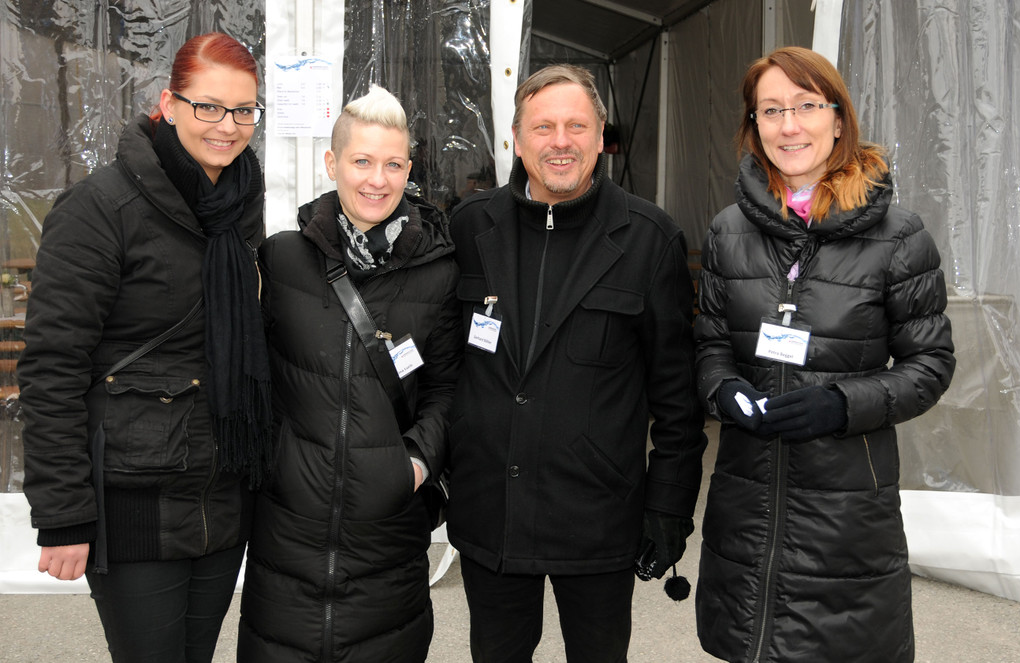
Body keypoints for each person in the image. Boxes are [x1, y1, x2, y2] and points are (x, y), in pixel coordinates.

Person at [693, 46, 956, 663]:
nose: (789, 125)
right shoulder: (728, 231)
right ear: (754, 125)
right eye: (771, 110)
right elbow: (709, 344)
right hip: (747, 501)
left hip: (846, 514)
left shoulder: (899, 236)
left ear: (839, 119)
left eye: (806, 106)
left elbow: (930, 365)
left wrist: (842, 404)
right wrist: (722, 389)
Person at [16, 32, 271, 662]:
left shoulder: (239, 203)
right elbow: (52, 368)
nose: (228, 126)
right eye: (209, 106)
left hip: (221, 491)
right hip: (135, 499)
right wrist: (63, 513)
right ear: (169, 104)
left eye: (243, 110)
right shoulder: (100, 207)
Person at [446, 64, 707, 663]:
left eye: (576, 126)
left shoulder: (649, 238)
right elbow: (443, 365)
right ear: (516, 139)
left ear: (600, 137)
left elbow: (678, 399)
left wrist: (669, 505)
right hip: (492, 510)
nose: (560, 141)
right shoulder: (470, 227)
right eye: (543, 126)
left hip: (598, 517)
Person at [236, 85, 461, 662]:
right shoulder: (282, 258)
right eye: (361, 161)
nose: (376, 180)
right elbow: (252, 378)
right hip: (288, 530)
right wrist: (273, 462)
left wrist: (414, 464)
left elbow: (445, 388)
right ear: (332, 163)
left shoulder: (438, 271)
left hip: (387, 532)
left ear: (408, 170)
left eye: (393, 164)